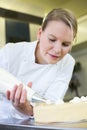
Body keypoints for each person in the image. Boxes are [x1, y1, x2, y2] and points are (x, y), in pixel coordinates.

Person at [0, 8, 77, 118]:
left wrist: (28, 110)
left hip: (35, 123)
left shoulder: (67, 62)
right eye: (52, 39)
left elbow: (50, 105)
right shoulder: (10, 52)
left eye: (65, 44)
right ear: (40, 34)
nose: (57, 50)